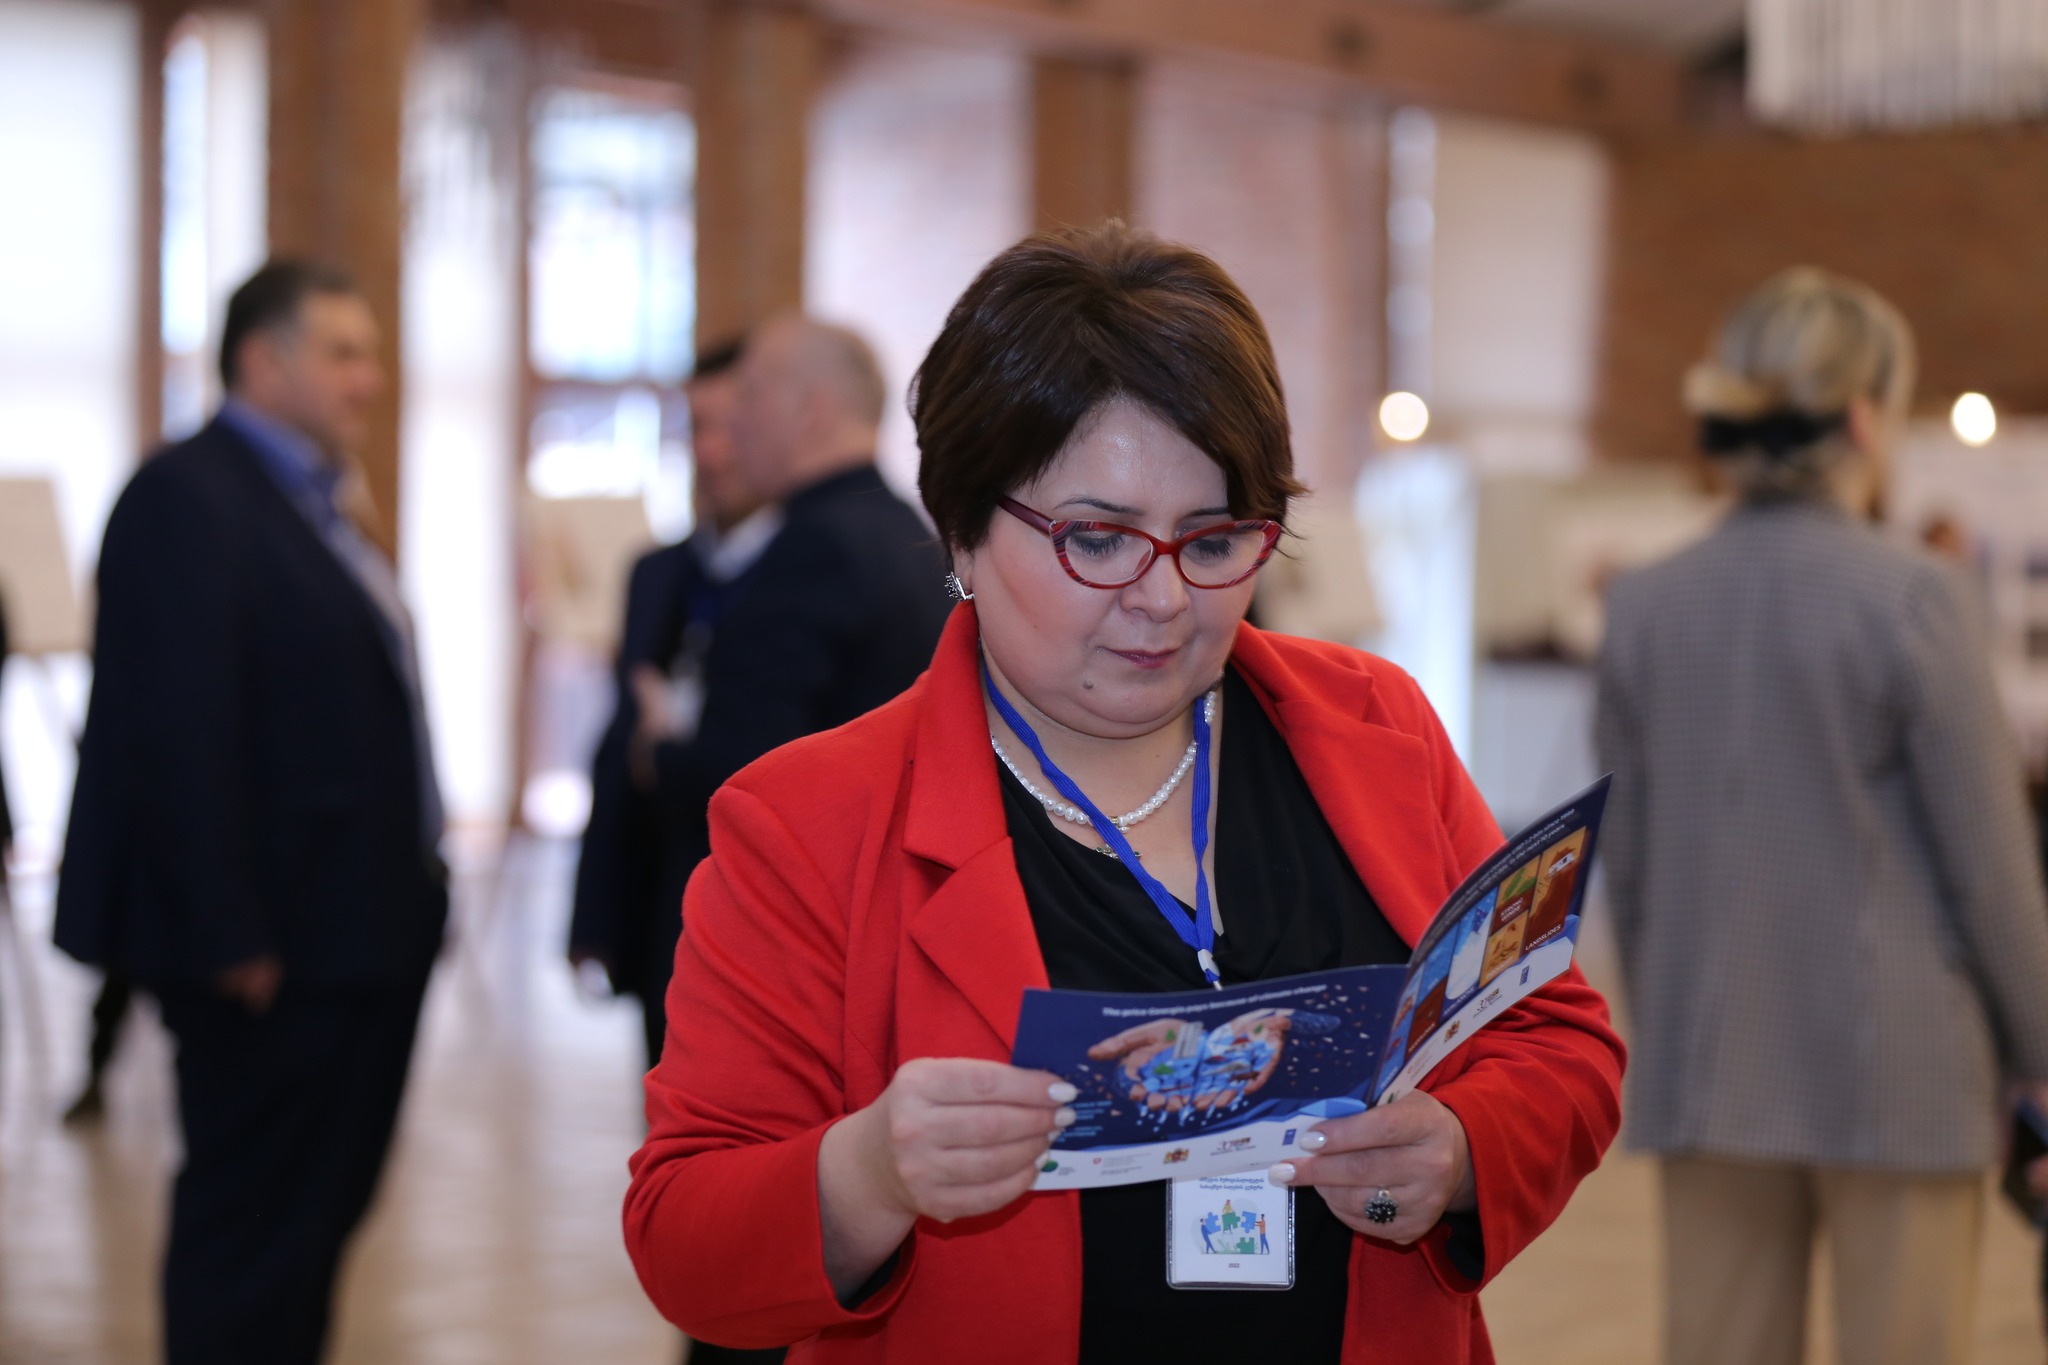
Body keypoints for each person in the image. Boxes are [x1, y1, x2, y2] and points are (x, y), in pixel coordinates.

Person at [623, 224, 1625, 1363]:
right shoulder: (808, 820)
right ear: (962, 529)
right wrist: (867, 1171)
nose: (1162, 599)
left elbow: (1556, 1039)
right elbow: (684, 1240)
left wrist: (1461, 1147)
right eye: (1097, 539)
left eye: (1213, 540)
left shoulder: (1372, 728)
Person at [1594, 267, 2048, 1365]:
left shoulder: (1645, 605)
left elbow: (1632, 870)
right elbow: (1989, 868)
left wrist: (1668, 1029)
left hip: (1708, 1063)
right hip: (1904, 1067)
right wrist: (2041, 1049)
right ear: (1863, 418)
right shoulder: (1914, 597)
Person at [54, 260, 447, 1365]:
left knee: (312, 1224)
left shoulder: (312, 498)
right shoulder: (187, 496)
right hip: (274, 951)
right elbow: (174, 732)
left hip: (357, 930)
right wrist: (227, 933)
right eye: (343, 354)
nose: (369, 380)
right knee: (249, 1237)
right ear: (263, 362)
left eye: (371, 353)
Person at [569, 338, 784, 1069]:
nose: (711, 452)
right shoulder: (658, 573)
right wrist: (594, 919)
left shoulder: (810, 572)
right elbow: (620, 739)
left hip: (760, 910)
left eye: (731, 428)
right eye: (697, 428)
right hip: (663, 901)